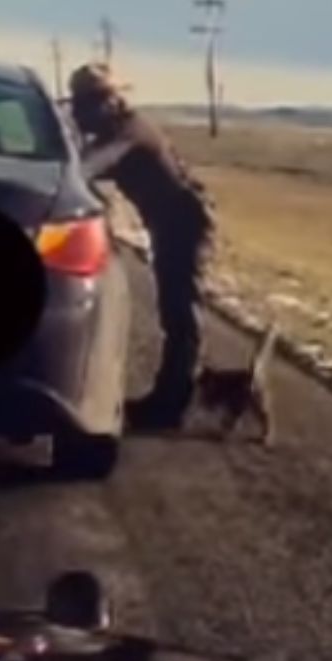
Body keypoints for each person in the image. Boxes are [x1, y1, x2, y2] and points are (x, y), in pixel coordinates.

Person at [67, 63, 215, 430]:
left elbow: (87, 168)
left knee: (180, 312)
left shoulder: (129, 133)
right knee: (174, 310)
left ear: (110, 102)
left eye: (86, 105)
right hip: (171, 220)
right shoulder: (120, 129)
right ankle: (169, 399)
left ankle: (171, 407)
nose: (80, 114)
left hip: (184, 220)